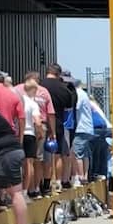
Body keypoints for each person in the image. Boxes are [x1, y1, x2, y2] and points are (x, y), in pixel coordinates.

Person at [43, 64, 75, 192]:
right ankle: (57, 182)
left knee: (41, 158)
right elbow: (68, 108)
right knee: (58, 154)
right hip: (58, 124)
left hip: (41, 123)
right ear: (59, 74)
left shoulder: (40, 86)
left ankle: (44, 183)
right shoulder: (64, 89)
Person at [19, 75, 45, 199]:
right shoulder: (33, 104)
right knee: (29, 163)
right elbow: (38, 122)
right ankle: (27, 190)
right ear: (34, 90)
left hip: (20, 134)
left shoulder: (20, 101)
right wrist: (41, 133)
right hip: (30, 134)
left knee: (19, 164)